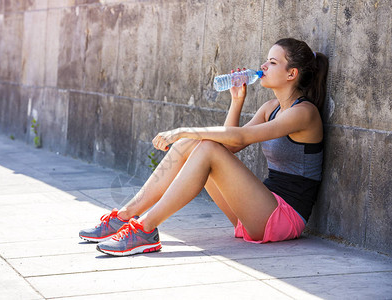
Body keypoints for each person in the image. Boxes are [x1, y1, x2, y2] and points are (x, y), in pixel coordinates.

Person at [79, 37, 329, 256]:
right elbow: (230, 146)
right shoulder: (270, 108)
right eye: (266, 60)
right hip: (256, 211)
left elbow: (239, 139)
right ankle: (125, 216)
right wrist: (236, 101)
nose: (263, 66)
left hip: (283, 217)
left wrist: (183, 130)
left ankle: (145, 229)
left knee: (204, 146)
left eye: (272, 63)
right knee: (196, 144)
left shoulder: (304, 113)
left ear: (291, 74)